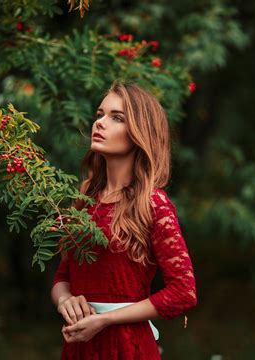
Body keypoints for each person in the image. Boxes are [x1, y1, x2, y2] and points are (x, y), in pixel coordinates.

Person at [50, 81, 198, 359]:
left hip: (127, 346)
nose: (100, 123)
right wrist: (65, 301)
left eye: (116, 117)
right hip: (80, 343)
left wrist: (106, 319)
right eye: (100, 114)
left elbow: (184, 292)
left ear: (139, 133)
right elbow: (63, 276)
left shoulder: (153, 203)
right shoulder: (84, 196)